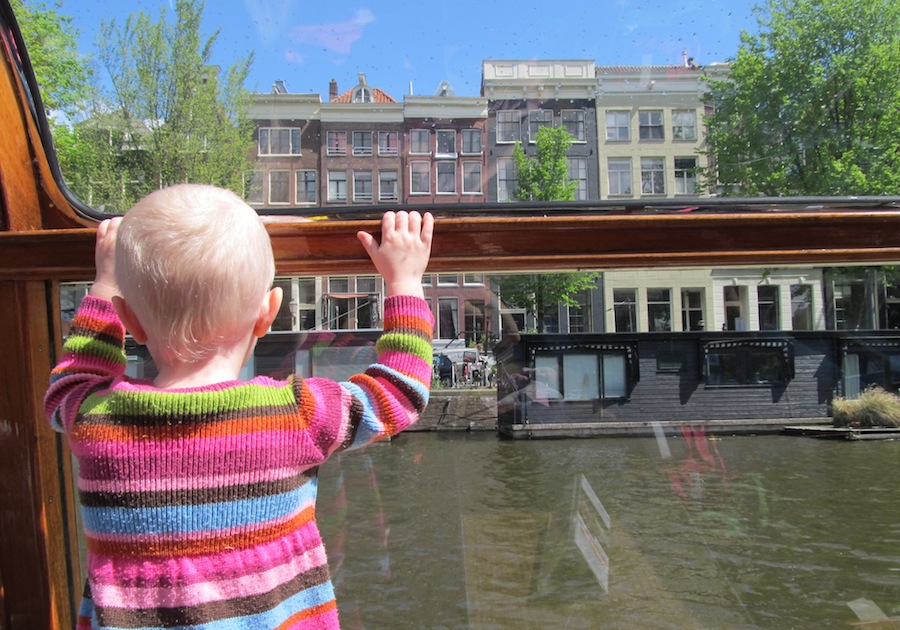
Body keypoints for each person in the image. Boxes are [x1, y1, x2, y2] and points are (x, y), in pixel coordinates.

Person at [43, 184, 434, 629]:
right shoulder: (293, 414)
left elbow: (70, 383)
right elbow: (400, 393)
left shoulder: (95, 420)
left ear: (128, 320)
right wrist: (404, 283)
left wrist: (104, 285)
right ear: (269, 313)